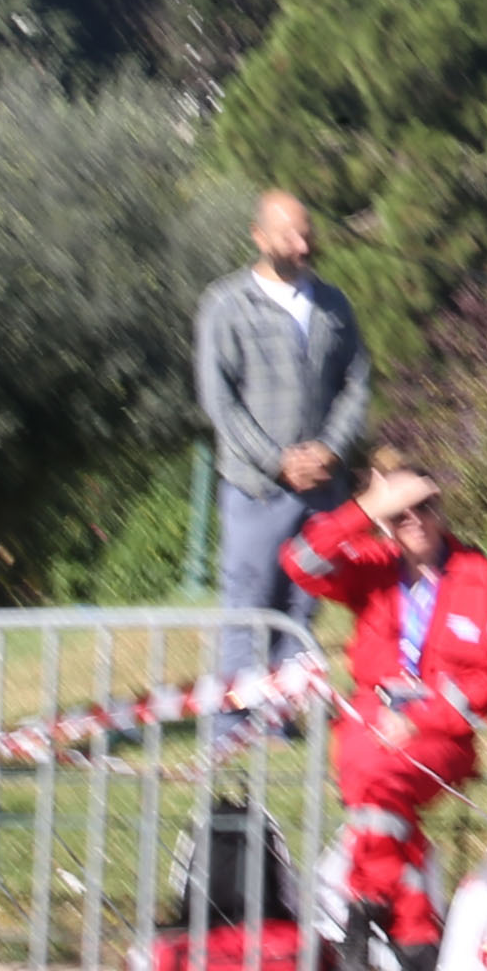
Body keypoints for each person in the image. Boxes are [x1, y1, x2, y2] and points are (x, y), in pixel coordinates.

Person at [279, 451, 487, 971]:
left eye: (425, 507)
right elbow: (299, 562)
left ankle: (364, 920)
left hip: (438, 737)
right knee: (385, 810)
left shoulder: (476, 575)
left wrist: (419, 718)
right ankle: (416, 969)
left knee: (373, 783)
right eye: (401, 513)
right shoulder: (372, 564)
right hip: (372, 728)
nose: (414, 520)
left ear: (442, 508)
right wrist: (365, 507)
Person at [194, 190, 374, 683]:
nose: (301, 243)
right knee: (248, 608)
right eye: (288, 234)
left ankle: (282, 720)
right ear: (259, 237)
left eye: (306, 232)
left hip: (321, 492)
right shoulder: (226, 305)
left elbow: (357, 383)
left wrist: (331, 451)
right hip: (256, 490)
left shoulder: (333, 305)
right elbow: (220, 402)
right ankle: (234, 729)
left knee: (302, 610)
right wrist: (278, 462)